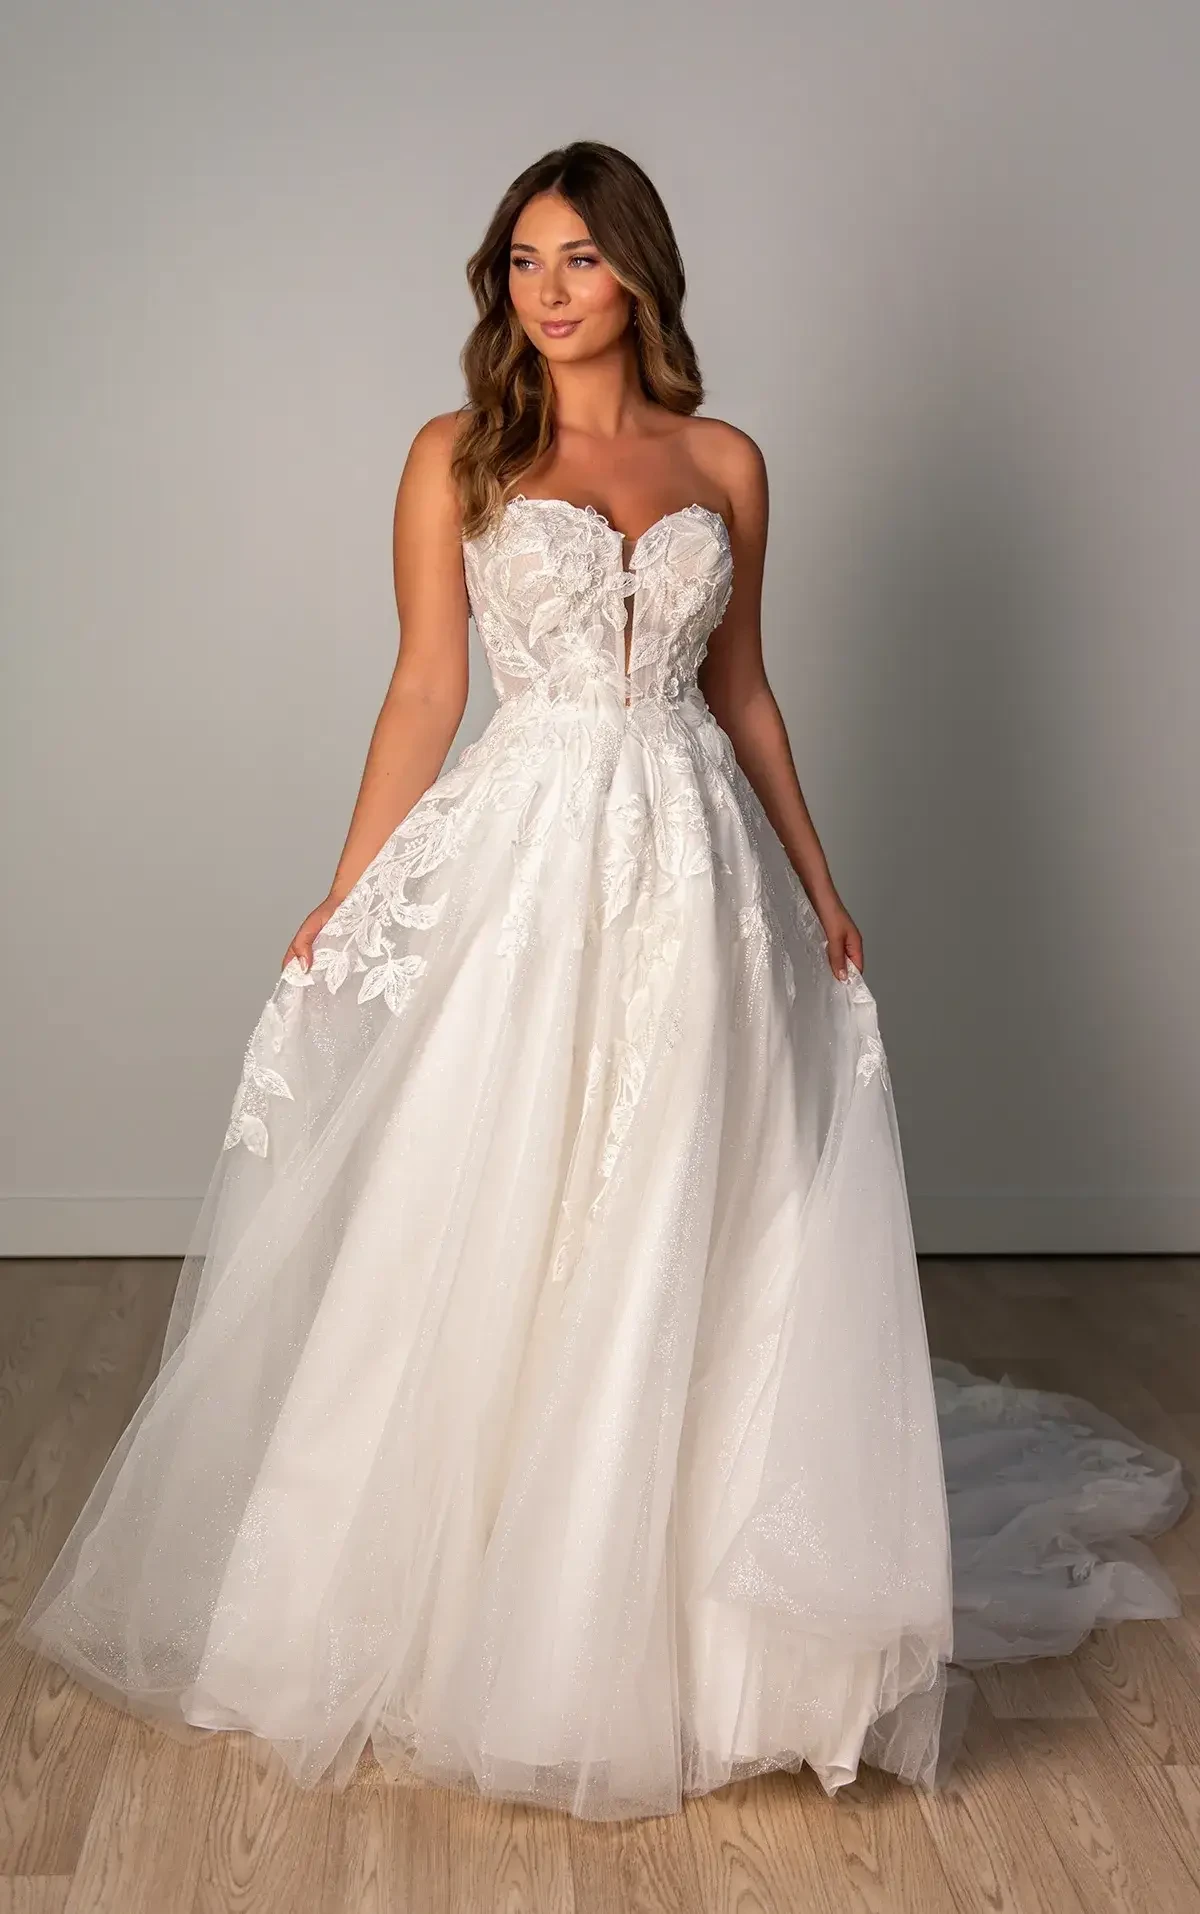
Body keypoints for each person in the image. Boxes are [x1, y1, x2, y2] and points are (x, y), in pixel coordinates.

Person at [17, 140, 1189, 1821]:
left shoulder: (725, 460)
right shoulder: (458, 458)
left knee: (680, 1204)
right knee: (499, 1199)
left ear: (640, 273)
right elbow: (423, 694)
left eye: (577, 259)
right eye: (521, 263)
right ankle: (475, 1597)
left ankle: (691, 1622)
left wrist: (821, 879)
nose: (545, 292)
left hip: (697, 865)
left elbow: (753, 691)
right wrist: (343, 893)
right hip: (531, 865)